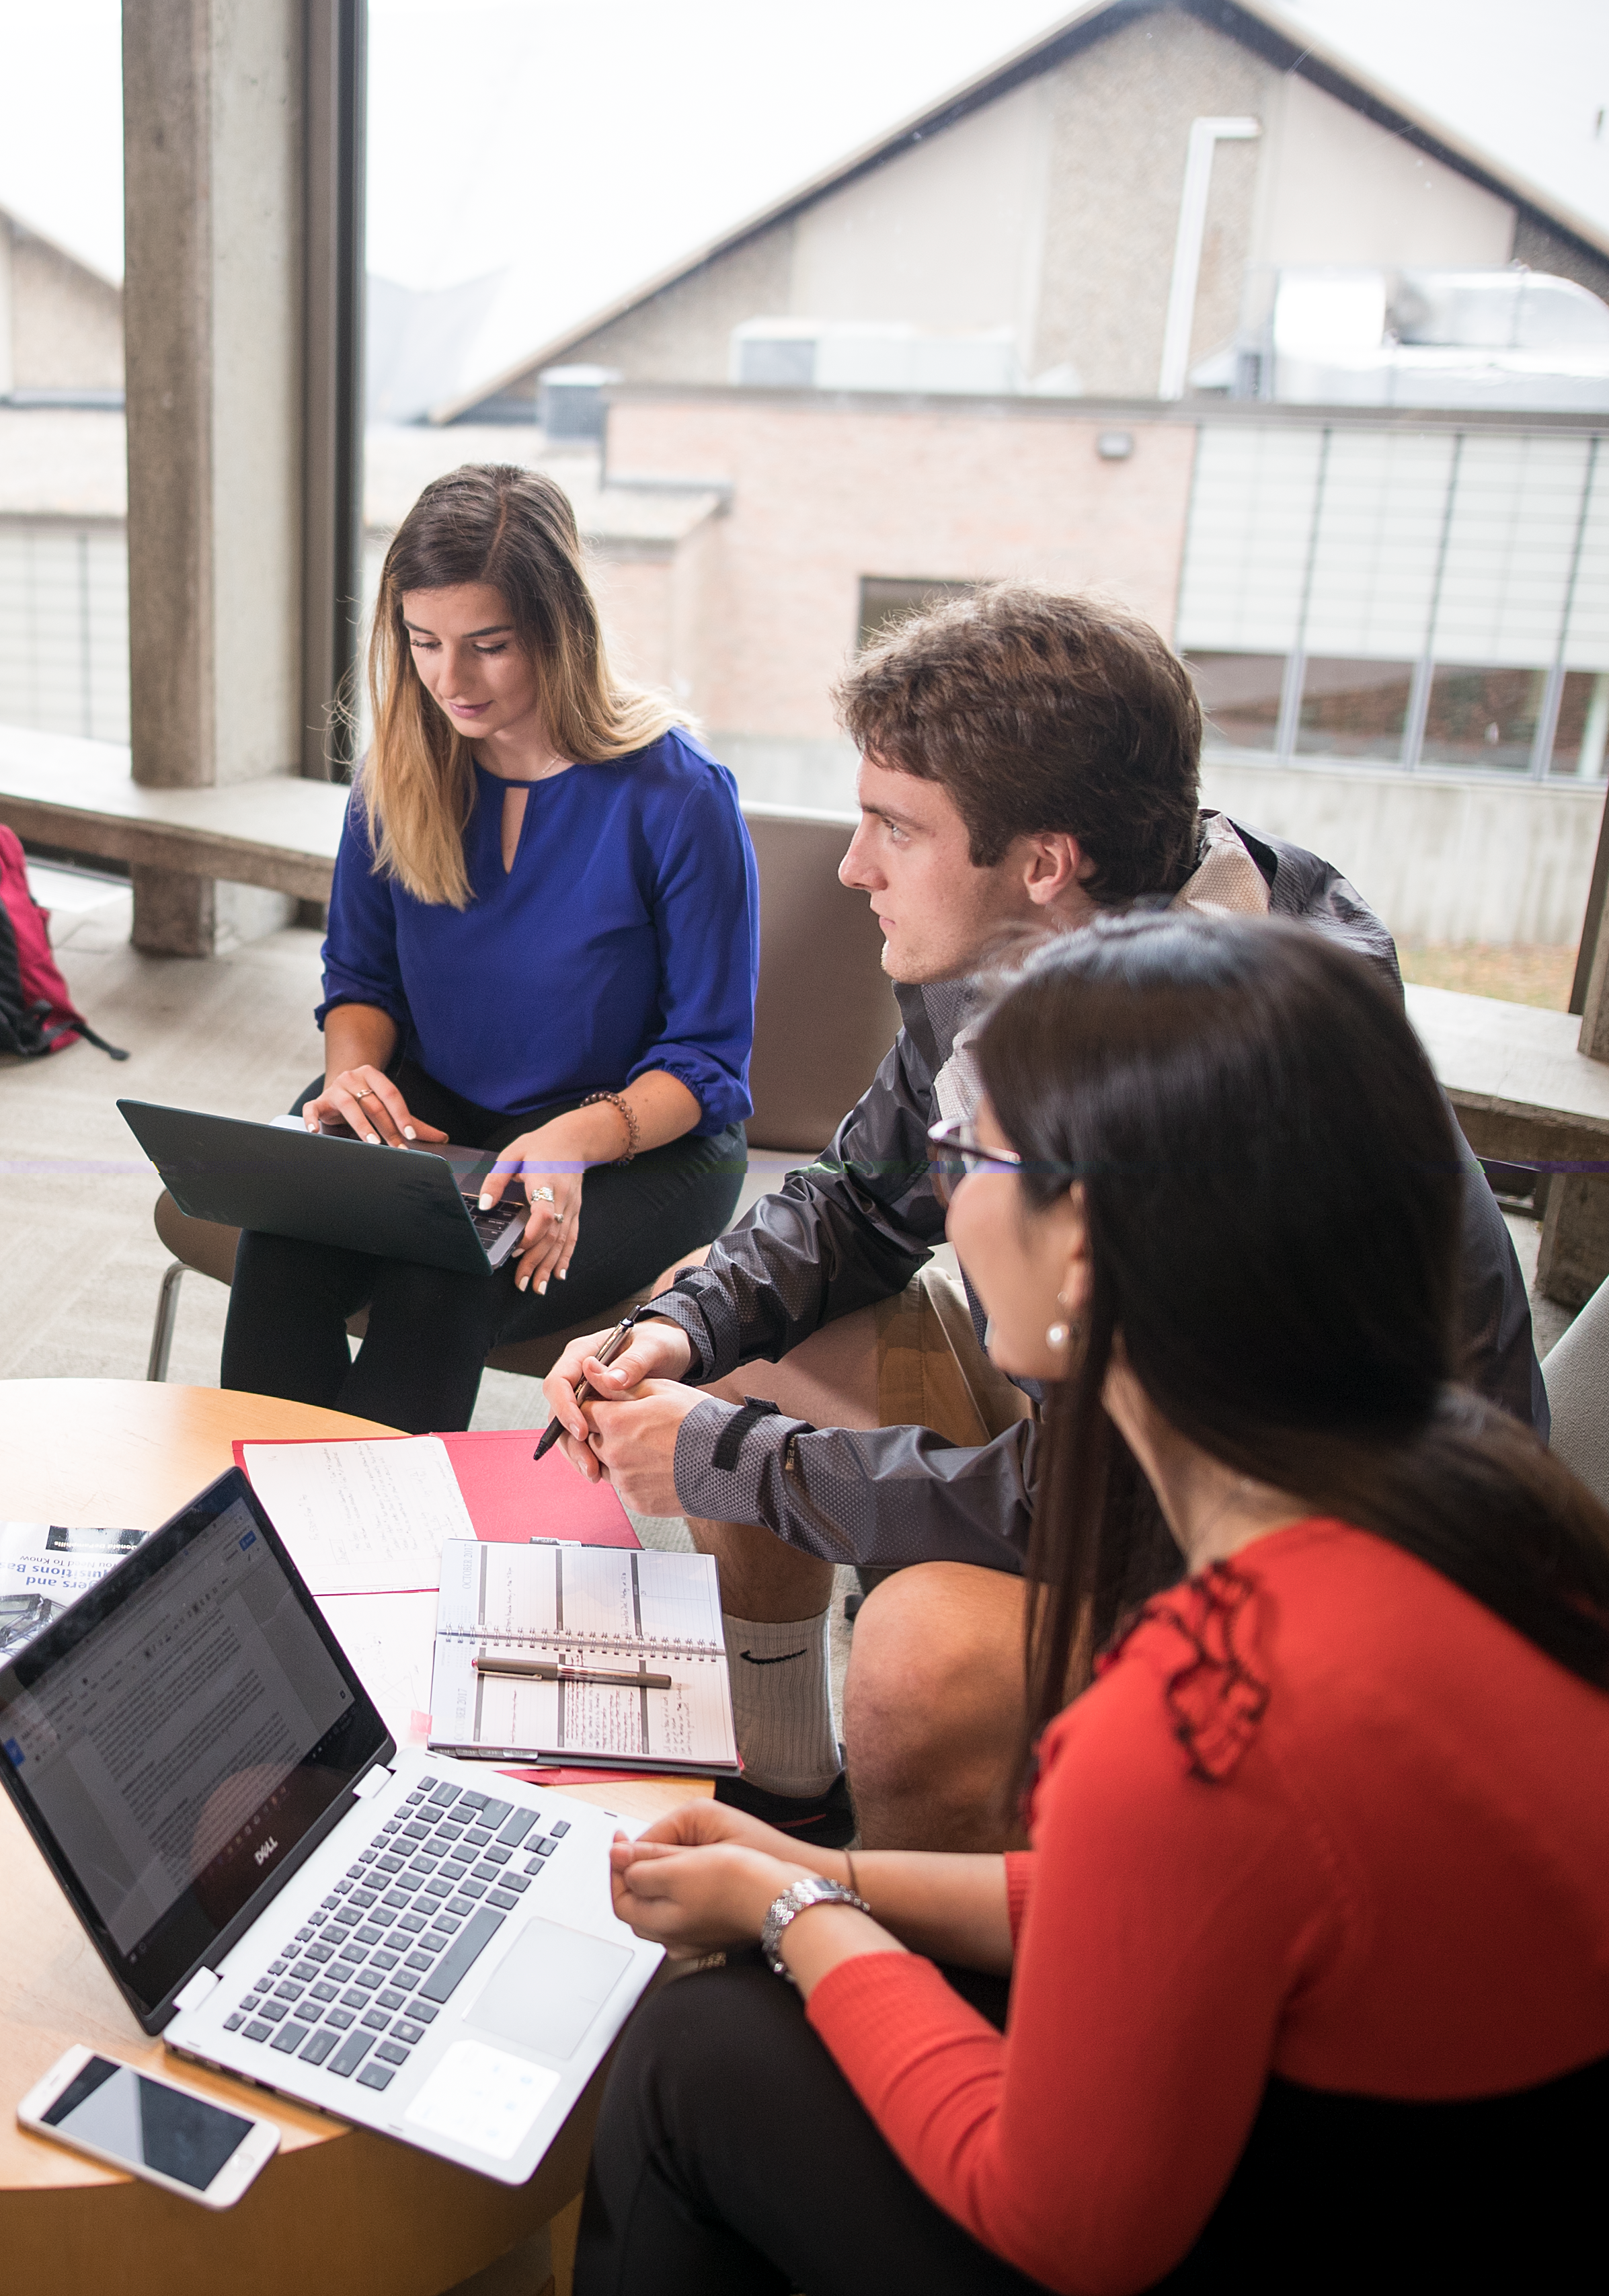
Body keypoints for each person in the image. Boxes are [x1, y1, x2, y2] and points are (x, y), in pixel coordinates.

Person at [575, 910, 1609, 2294]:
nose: (945, 1192)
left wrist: (803, 1917)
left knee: (701, 2055)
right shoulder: (1489, 1501)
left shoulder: (1199, 1706)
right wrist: (827, 1878)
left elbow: (1068, 2231)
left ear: (1089, 1245)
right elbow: (1177, 1898)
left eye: (968, 1155)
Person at [544, 583, 1543, 1847]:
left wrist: (722, 1456)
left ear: (1043, 861)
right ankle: (789, 1787)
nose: (851, 867)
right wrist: (681, 1329)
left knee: (919, 1657)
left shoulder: (1236, 1083)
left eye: (891, 829)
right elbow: (858, 1204)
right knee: (740, 1326)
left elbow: (1103, 1497)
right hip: (1120, 1447)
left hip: (1314, 1593)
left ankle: (918, 1958)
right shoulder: (1020, 943)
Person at [219, 463, 756, 1437]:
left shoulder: (678, 796)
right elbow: (361, 979)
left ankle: (378, 1557)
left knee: (442, 1269)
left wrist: (572, 1141)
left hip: (639, 1136)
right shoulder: (399, 773)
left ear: (561, 630)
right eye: (423, 643)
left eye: (488, 646)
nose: (450, 680)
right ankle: (247, 1542)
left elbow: (709, 1064)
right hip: (445, 1106)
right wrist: (352, 1077)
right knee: (283, 1238)